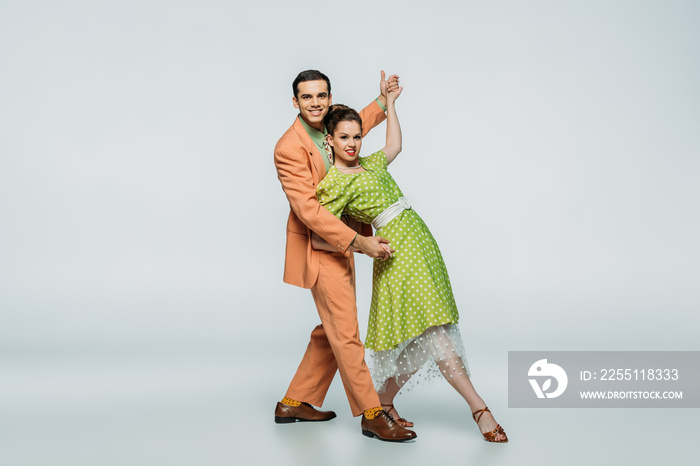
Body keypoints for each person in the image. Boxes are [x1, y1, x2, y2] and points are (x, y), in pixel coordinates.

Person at [313, 83, 509, 442]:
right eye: (344, 137)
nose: (353, 143)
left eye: (357, 136)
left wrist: (389, 103)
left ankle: (384, 402)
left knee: (427, 331)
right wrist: (364, 244)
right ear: (329, 139)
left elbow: (395, 145)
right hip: (396, 255)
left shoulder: (371, 163)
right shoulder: (334, 184)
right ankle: (480, 410)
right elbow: (320, 234)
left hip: (420, 244)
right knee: (435, 330)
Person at [273, 69, 416, 442]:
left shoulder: (332, 121)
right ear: (296, 102)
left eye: (322, 95)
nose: (316, 103)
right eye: (308, 97)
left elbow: (357, 125)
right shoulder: (288, 148)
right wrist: (361, 242)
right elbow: (309, 212)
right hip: (321, 249)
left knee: (332, 331)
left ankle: (295, 401)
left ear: (329, 96)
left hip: (345, 247)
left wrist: (386, 99)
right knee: (347, 335)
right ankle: (373, 414)